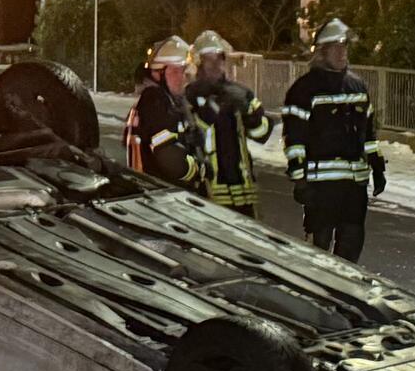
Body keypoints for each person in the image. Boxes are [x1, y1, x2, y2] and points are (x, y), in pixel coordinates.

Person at [281, 19, 384, 261]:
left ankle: (343, 295)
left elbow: (368, 134)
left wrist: (377, 166)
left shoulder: (357, 86)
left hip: (354, 187)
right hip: (321, 187)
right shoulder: (304, 90)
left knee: (351, 247)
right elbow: (295, 138)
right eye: (336, 47)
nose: (342, 53)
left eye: (344, 47)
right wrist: (300, 180)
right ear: (322, 52)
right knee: (318, 252)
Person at [186, 30, 273, 216]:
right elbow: (192, 134)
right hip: (208, 189)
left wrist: (249, 112)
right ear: (199, 63)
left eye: (219, 58)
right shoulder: (190, 96)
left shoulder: (240, 93)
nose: (216, 64)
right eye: (209, 59)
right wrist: (212, 107)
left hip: (243, 189)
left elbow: (262, 134)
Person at [123, 36, 205, 188]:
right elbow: (170, 158)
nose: (181, 77)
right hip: (160, 198)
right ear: (157, 74)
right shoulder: (155, 101)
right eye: (174, 71)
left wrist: (188, 139)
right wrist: (198, 169)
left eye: (182, 71)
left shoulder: (158, 101)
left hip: (152, 195)